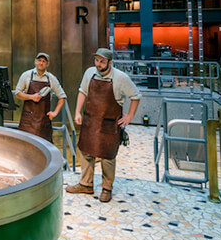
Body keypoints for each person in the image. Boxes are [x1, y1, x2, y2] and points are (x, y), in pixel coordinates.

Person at [66, 48, 140, 203]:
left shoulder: (121, 78)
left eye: (102, 62)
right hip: (90, 120)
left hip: (109, 123)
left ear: (110, 63)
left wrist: (129, 116)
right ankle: (86, 184)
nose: (98, 64)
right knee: (86, 151)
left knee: (107, 156)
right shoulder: (89, 73)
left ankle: (107, 188)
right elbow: (82, 92)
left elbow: (136, 96)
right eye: (97, 61)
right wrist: (77, 112)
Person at [14, 52, 66, 143]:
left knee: (44, 148)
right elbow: (17, 93)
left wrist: (55, 113)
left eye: (43, 61)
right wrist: (31, 97)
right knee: (25, 146)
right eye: (39, 60)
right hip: (27, 120)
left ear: (47, 64)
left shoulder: (51, 79)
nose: (41, 63)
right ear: (35, 61)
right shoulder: (26, 75)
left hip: (43, 121)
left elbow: (62, 97)